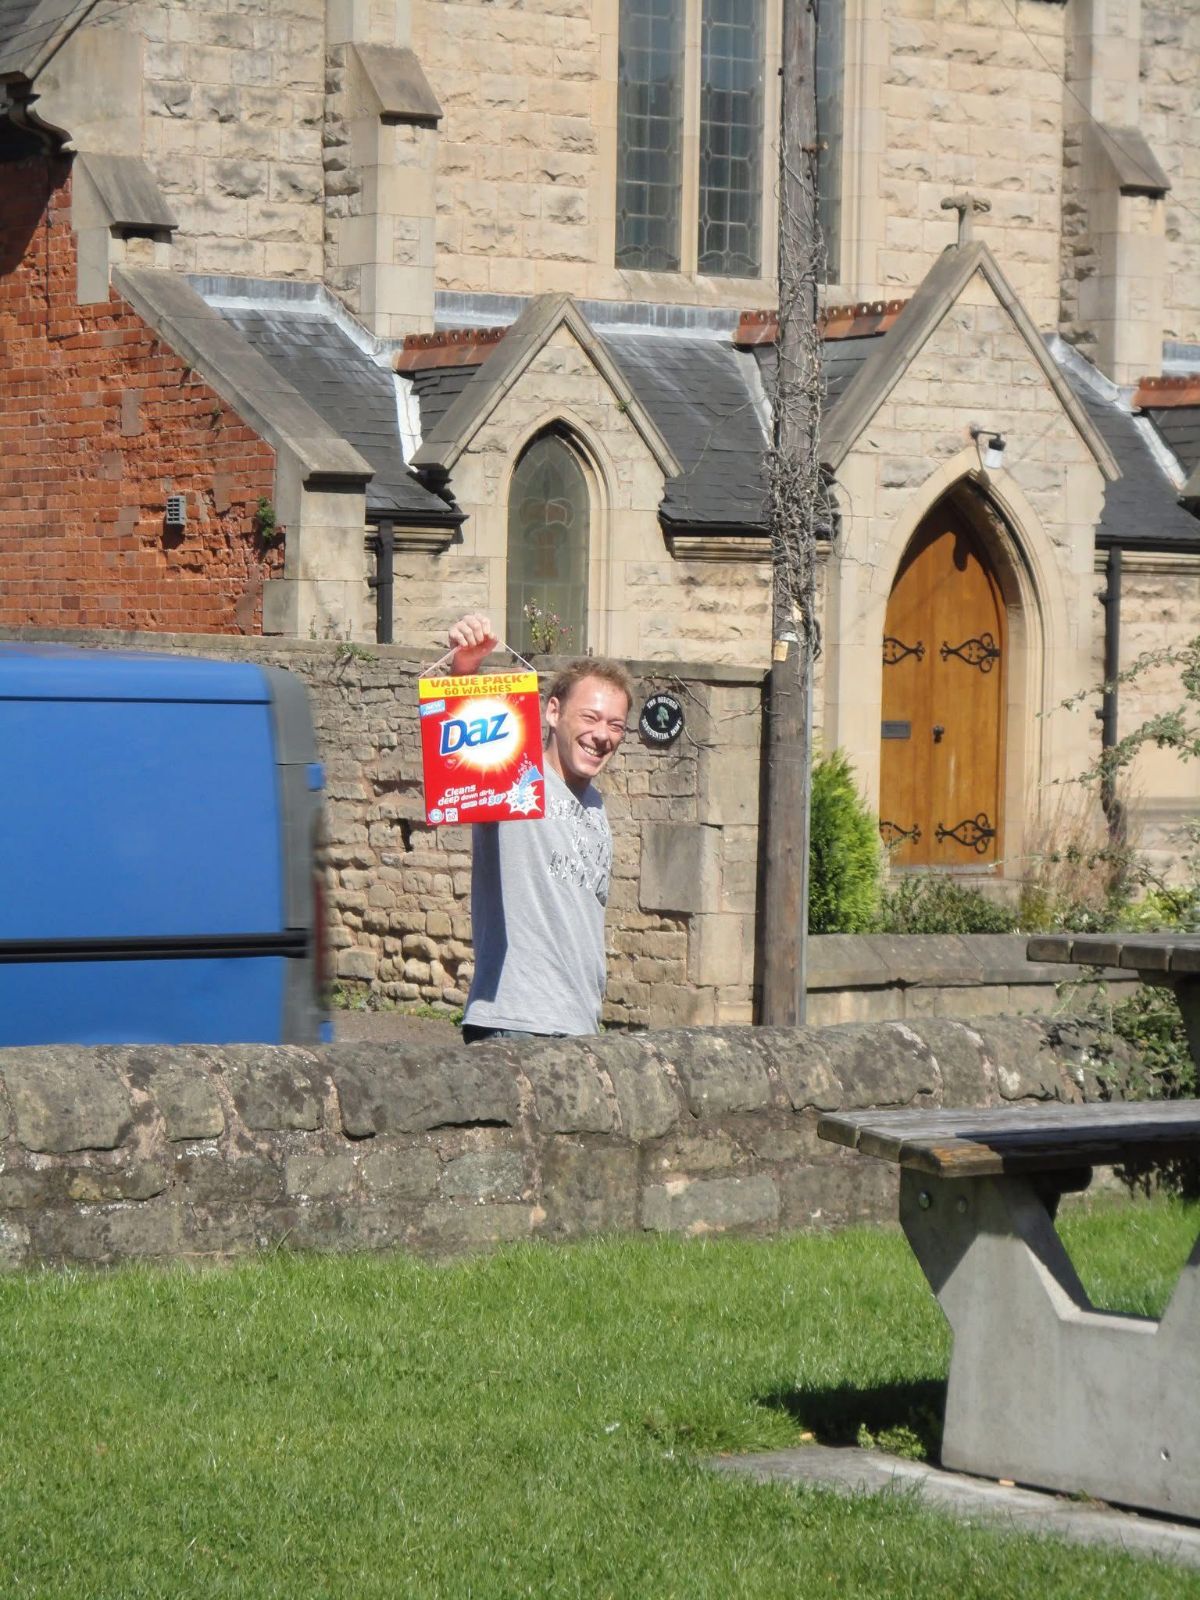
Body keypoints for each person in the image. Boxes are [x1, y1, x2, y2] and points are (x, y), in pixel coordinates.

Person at [446, 613, 632, 1041]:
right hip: (514, 1023)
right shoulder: (515, 775)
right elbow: (461, 744)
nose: (602, 735)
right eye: (589, 717)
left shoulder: (595, 806)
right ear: (553, 711)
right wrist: (466, 665)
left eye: (615, 725)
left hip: (577, 1027)